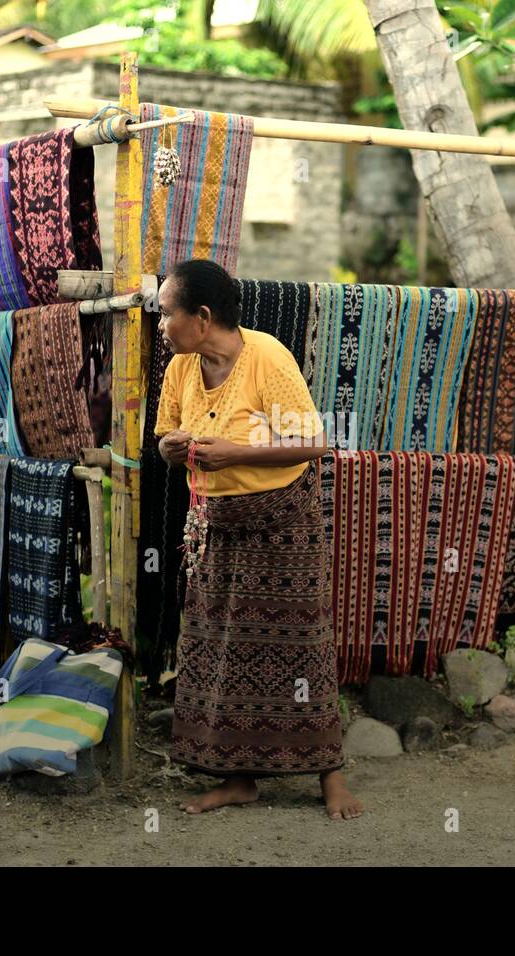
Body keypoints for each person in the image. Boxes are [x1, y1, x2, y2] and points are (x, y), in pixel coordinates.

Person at [154, 258, 362, 819]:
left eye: (166, 312)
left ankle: (330, 777)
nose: (160, 324)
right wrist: (173, 448)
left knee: (300, 645)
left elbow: (314, 444)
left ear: (201, 317)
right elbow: (166, 435)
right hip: (218, 529)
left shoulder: (267, 357)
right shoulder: (179, 368)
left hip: (283, 528)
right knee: (219, 647)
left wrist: (237, 453)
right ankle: (237, 776)